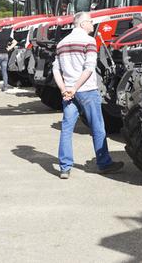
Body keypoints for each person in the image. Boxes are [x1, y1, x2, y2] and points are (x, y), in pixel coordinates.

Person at [53, 11, 123, 179]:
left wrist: (64, 89)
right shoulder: (89, 41)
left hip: (68, 93)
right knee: (98, 127)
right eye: (90, 22)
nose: (92, 24)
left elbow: (56, 69)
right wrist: (75, 88)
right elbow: (89, 68)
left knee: (66, 129)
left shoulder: (61, 43)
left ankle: (64, 168)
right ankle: (104, 163)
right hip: (86, 90)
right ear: (82, 24)